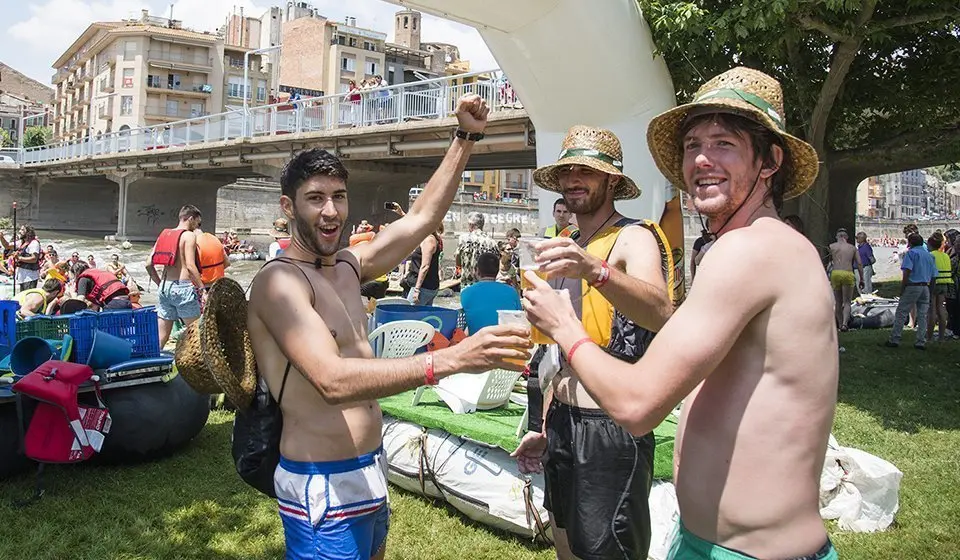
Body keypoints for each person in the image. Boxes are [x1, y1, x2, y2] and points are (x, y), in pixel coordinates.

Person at [523, 67, 839, 559]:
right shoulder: (748, 248)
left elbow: (636, 404)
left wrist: (564, 325)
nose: (701, 159)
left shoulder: (751, 251)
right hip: (711, 541)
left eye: (724, 144)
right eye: (692, 145)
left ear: (770, 161)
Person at [247, 94, 532, 560]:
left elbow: (422, 219)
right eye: (315, 198)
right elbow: (332, 380)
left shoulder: (345, 266)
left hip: (368, 470)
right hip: (321, 485)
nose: (331, 212)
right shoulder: (279, 282)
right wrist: (456, 358)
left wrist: (466, 137)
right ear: (288, 206)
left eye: (338, 197)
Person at [512, 125, 676, 560]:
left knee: (607, 552)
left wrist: (597, 271)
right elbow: (558, 352)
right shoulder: (566, 242)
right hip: (564, 420)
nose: (573, 179)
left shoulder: (633, 236)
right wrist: (544, 427)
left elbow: (661, 310)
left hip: (610, 426)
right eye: (567, 170)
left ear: (612, 181)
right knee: (565, 544)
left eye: (587, 170)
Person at [145, 205, 204, 348]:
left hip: (165, 287)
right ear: (191, 218)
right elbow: (190, 266)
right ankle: (194, 368)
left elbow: (148, 264)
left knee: (162, 336)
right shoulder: (188, 236)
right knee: (195, 335)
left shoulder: (165, 235)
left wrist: (160, 284)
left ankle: (153, 365)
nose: (197, 227)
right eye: (198, 223)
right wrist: (203, 290)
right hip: (182, 288)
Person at [886, 232, 936, 349]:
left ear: (910, 243)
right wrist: (931, 290)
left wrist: (903, 288)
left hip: (913, 285)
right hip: (925, 287)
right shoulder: (930, 256)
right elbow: (934, 275)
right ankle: (920, 341)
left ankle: (895, 339)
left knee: (901, 312)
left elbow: (907, 272)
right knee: (923, 315)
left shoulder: (911, 254)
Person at [460, 252, 522, 334]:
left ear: (477, 271)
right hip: (505, 342)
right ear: (497, 271)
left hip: (478, 343)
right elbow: (519, 317)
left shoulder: (466, 293)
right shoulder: (511, 292)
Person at [828, 228, 864, 331]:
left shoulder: (832, 247)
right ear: (846, 238)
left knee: (837, 302)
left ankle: (839, 325)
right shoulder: (852, 248)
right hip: (848, 273)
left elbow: (828, 261)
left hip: (835, 273)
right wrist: (862, 279)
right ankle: (844, 324)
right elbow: (860, 263)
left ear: (837, 237)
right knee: (847, 301)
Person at [455, 212, 498, 288]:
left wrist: (458, 269)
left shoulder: (463, 239)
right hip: (486, 284)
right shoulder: (492, 242)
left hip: (467, 285)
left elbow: (458, 256)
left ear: (471, 225)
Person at [404, 224, 443, 305]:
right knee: (424, 316)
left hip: (423, 287)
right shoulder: (431, 238)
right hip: (429, 285)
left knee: (410, 314)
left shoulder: (428, 240)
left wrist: (417, 289)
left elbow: (425, 266)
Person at [1, 225, 42, 291]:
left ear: (28, 232)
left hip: (30, 276)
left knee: (27, 297)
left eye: (22, 230)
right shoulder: (21, 242)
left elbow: (34, 259)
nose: (20, 231)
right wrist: (1, 237)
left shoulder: (34, 243)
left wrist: (19, 258)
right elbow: (7, 246)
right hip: (21, 275)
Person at [927, 233, 951, 342]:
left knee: (932, 309)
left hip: (934, 283)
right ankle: (941, 337)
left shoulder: (931, 255)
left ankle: (929, 337)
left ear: (931, 245)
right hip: (945, 283)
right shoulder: (946, 255)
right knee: (941, 309)